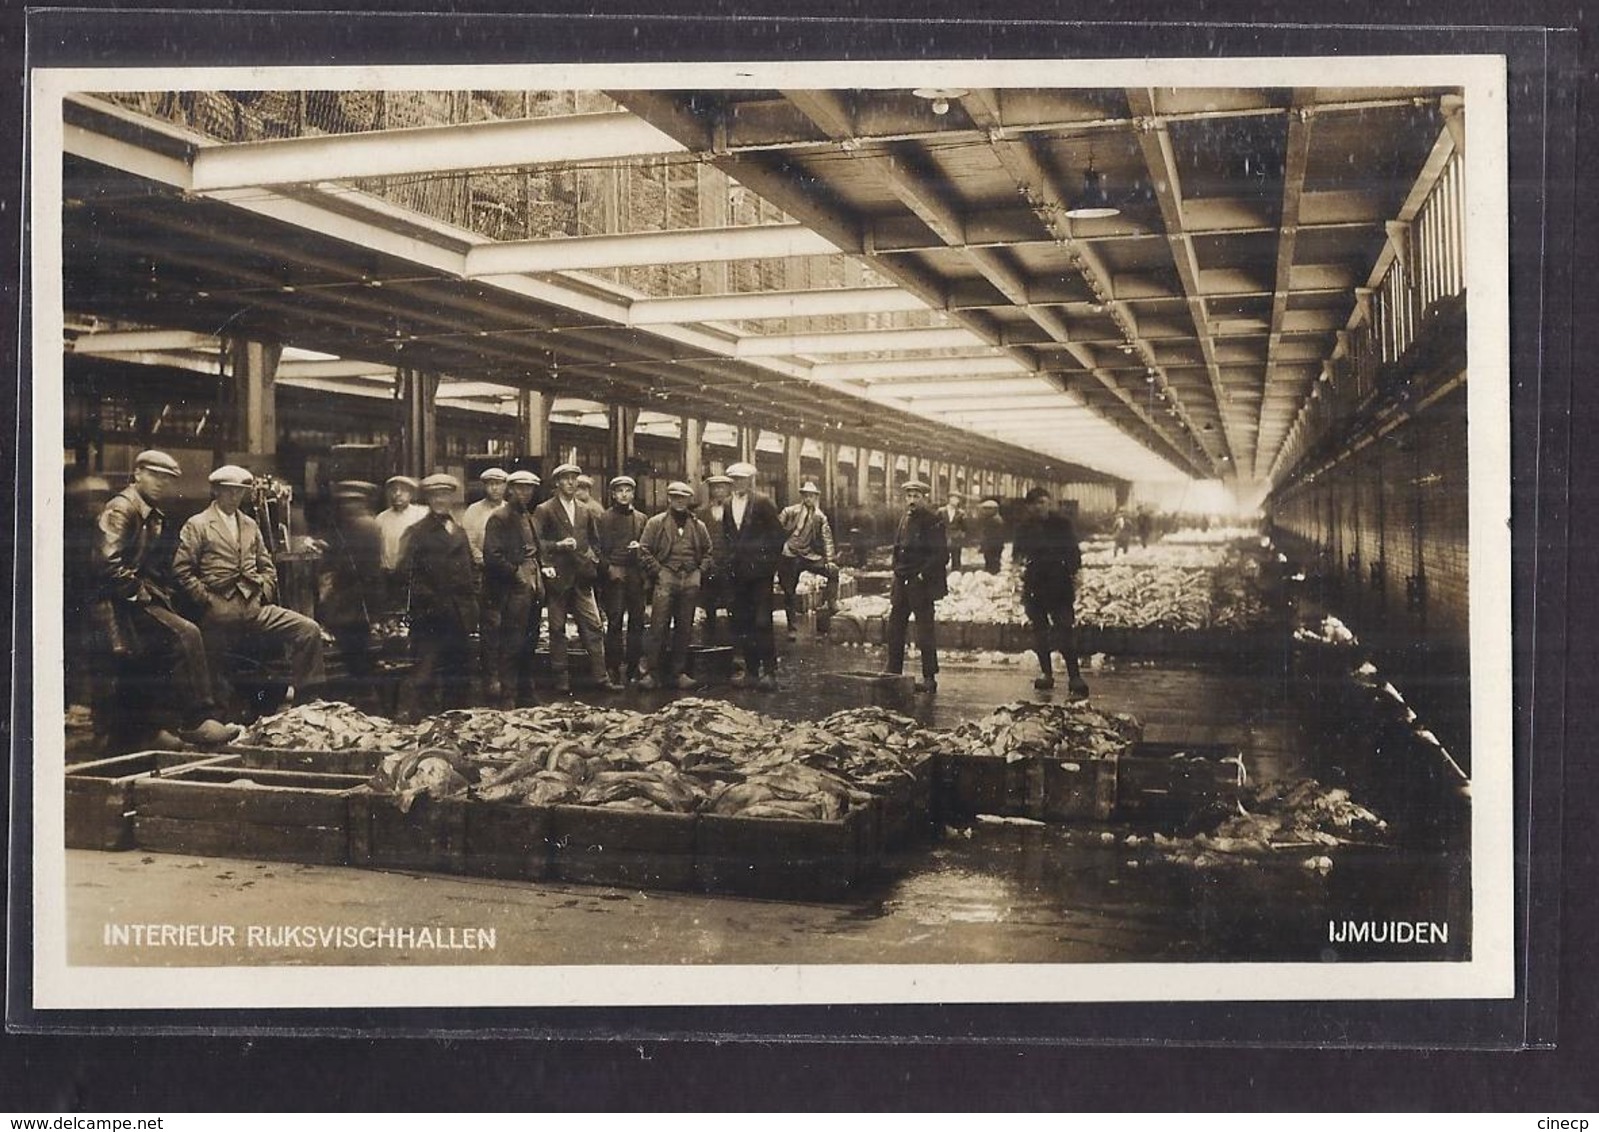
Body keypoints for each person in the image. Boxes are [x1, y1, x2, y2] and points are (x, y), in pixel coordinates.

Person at [92, 450, 238, 746]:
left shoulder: (150, 512)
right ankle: (199, 718)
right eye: (154, 475)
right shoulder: (122, 509)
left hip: (131, 596)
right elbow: (107, 564)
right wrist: (145, 596)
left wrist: (165, 595)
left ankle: (145, 732)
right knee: (186, 635)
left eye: (167, 479)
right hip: (116, 602)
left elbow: (153, 566)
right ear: (137, 474)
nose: (161, 483)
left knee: (152, 658)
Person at [171, 464, 327, 716]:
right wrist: (207, 600)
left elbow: (267, 566)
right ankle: (215, 718)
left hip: (254, 606)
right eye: (229, 491)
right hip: (219, 609)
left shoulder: (250, 525)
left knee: (308, 630)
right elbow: (182, 571)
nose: (235, 497)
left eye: (240, 492)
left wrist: (263, 591)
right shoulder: (198, 524)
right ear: (216, 492)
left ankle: (307, 705)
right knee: (214, 659)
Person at [533, 464, 621, 692]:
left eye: (574, 478)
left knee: (593, 626)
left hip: (582, 578)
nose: (571, 483)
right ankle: (561, 679)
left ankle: (601, 678)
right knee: (557, 628)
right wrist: (557, 546)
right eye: (566, 479)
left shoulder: (584, 510)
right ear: (557, 483)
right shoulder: (545, 510)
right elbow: (536, 543)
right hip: (558, 579)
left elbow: (594, 541)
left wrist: (592, 559)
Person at [398, 474, 479, 717]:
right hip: (431, 617)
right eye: (435, 496)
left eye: (445, 495)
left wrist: (471, 604)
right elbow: (407, 575)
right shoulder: (417, 532)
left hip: (459, 615)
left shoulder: (459, 531)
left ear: (451, 498)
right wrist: (430, 602)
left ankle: (454, 721)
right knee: (426, 671)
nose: (440, 500)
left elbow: (470, 570)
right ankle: (420, 722)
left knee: (458, 672)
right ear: (429, 499)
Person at [1013, 487, 1090, 697]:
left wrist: (1076, 574)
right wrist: (1017, 573)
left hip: (1059, 583)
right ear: (1029, 506)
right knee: (1040, 631)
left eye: (1043, 502)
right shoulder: (1024, 527)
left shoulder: (1062, 524)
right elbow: (1017, 554)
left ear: (1049, 503)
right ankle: (1046, 674)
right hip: (1035, 583)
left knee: (1064, 628)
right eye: (1036, 503)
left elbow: (1073, 551)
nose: (1040, 507)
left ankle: (1075, 676)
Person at [636, 481, 712, 691]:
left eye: (684, 498)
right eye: (675, 497)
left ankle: (678, 672)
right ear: (669, 499)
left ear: (689, 501)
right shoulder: (656, 523)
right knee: (658, 626)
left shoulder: (698, 526)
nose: (679, 501)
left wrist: (699, 572)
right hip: (666, 577)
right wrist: (658, 571)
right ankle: (652, 673)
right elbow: (643, 550)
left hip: (689, 579)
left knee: (684, 627)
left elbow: (708, 552)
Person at [480, 470, 544, 707]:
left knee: (530, 640)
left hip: (534, 585)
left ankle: (527, 693)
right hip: (514, 589)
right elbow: (492, 556)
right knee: (512, 643)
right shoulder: (500, 517)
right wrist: (516, 574)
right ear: (510, 489)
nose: (524, 493)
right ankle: (509, 695)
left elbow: (535, 549)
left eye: (529, 489)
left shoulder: (528, 516)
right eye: (519, 488)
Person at [319, 481, 384, 706]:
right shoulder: (357, 524)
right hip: (356, 598)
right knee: (356, 647)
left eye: (352, 502)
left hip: (357, 597)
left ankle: (364, 695)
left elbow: (353, 565)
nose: (347, 506)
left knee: (356, 647)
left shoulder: (363, 526)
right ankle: (362, 692)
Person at [721, 461, 785, 690]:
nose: (738, 483)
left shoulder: (763, 502)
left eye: (742, 479)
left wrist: (767, 565)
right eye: (734, 480)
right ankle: (751, 671)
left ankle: (769, 672)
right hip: (738, 575)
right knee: (743, 621)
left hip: (760, 574)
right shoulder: (728, 505)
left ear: (750, 481)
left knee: (762, 621)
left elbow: (778, 535)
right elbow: (728, 536)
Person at [884, 479, 947, 693]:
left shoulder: (933, 520)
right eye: (909, 496)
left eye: (916, 496)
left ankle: (929, 677)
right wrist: (895, 569)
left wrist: (922, 574)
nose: (911, 500)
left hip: (921, 583)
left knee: (924, 631)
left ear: (924, 498)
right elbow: (897, 546)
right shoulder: (905, 518)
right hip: (902, 579)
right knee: (895, 627)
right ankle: (893, 672)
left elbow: (941, 554)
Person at [596, 474, 649, 685]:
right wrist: (608, 568)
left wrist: (640, 550)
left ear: (633, 494)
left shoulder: (641, 518)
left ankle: (634, 667)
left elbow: (648, 546)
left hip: (635, 574)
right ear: (613, 494)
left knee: (637, 621)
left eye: (628, 491)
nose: (624, 495)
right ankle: (614, 667)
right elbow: (596, 548)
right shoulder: (604, 518)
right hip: (614, 575)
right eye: (620, 491)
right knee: (615, 621)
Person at [776, 480, 840, 638]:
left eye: (812, 496)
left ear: (816, 497)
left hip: (808, 555)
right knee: (789, 591)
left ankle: (831, 603)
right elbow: (774, 531)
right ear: (802, 497)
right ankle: (792, 627)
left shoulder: (819, 517)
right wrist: (778, 551)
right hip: (789, 555)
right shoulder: (789, 512)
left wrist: (830, 560)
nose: (809, 499)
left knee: (833, 572)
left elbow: (827, 538)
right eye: (806, 496)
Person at [375, 474, 427, 609]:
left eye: (402, 490)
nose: (397, 494)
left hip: (414, 575)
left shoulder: (421, 514)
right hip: (388, 574)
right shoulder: (381, 518)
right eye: (394, 490)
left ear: (411, 494)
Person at [697, 473, 735, 646]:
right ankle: (710, 637)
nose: (718, 491)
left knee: (731, 600)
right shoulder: (701, 513)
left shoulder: (736, 512)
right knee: (709, 601)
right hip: (710, 563)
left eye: (722, 487)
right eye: (715, 487)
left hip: (729, 563)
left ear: (728, 490)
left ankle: (732, 640)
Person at [462, 467, 509, 570]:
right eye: (490, 484)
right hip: (482, 567)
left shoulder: (511, 510)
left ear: (505, 486)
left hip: (508, 567)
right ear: (485, 486)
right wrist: (480, 560)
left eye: (498, 483)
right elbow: (469, 541)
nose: (494, 488)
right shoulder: (473, 510)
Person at [975, 497, 1007, 573]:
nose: (984, 511)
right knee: (992, 560)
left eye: (987, 509)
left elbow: (989, 535)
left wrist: (984, 544)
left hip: (993, 545)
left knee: (992, 561)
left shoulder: (994, 520)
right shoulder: (994, 519)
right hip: (993, 545)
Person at [941, 492, 968, 572]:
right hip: (943, 537)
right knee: (941, 556)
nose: (957, 501)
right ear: (950, 499)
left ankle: (955, 574)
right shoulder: (941, 511)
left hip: (956, 538)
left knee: (956, 557)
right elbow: (936, 524)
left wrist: (961, 535)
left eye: (958, 499)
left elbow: (964, 527)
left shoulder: (961, 513)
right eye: (955, 498)